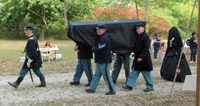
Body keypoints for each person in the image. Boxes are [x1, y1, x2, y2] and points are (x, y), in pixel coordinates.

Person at [85, 23, 116, 95]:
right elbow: (99, 47)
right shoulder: (101, 37)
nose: (97, 30)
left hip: (104, 60)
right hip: (101, 59)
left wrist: (93, 49)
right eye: (97, 29)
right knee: (97, 74)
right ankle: (92, 88)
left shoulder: (104, 38)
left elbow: (100, 49)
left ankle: (112, 90)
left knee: (106, 76)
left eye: (98, 29)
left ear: (103, 30)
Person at [122, 23, 154, 92]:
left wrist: (141, 57)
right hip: (137, 58)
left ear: (143, 28)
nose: (137, 30)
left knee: (146, 73)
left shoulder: (146, 37)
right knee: (134, 72)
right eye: (136, 29)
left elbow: (146, 48)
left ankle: (150, 86)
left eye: (138, 29)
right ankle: (129, 85)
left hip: (144, 59)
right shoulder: (138, 36)